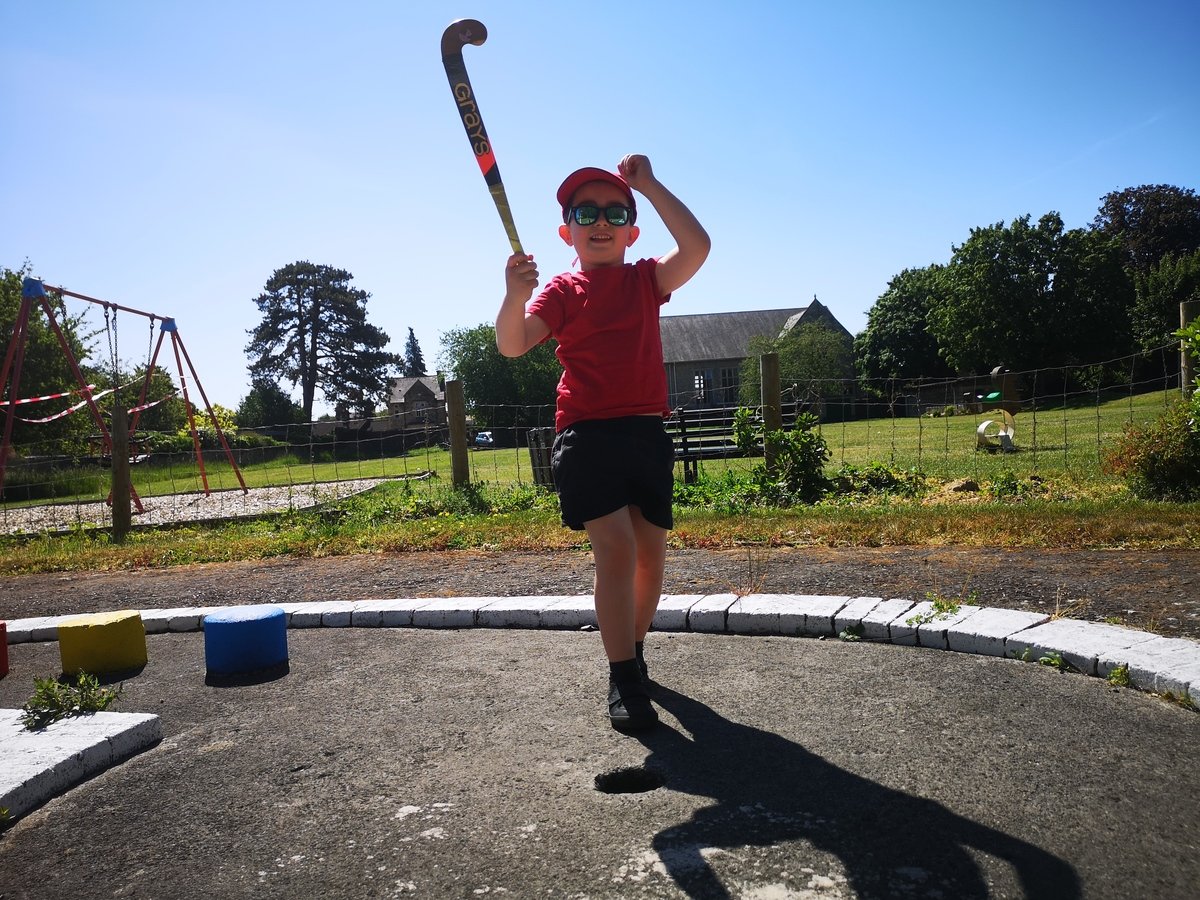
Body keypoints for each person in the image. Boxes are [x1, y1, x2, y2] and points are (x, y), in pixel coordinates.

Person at [495, 155, 710, 732]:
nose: (600, 222)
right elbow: (513, 344)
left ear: (632, 232)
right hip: (586, 436)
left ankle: (632, 654)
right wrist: (514, 294)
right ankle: (622, 676)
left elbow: (697, 247)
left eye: (616, 213)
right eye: (585, 212)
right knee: (616, 551)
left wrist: (650, 185)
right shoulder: (562, 290)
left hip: (644, 432)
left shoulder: (645, 280)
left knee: (650, 558)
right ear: (566, 231)